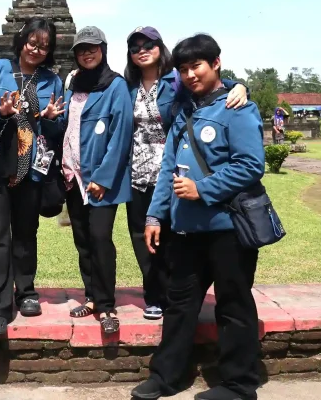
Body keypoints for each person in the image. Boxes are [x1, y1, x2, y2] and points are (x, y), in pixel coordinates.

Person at [131, 33, 266, 400]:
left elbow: (251, 165)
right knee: (179, 304)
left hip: (228, 229)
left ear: (216, 63)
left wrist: (202, 189)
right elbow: (168, 169)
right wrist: (155, 216)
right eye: (184, 69)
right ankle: (166, 376)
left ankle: (239, 384)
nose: (190, 75)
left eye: (197, 66)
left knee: (233, 304)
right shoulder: (184, 112)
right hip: (187, 229)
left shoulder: (237, 108)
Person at [123, 26, 249, 320]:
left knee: (171, 237)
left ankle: (173, 294)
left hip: (172, 172)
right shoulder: (126, 86)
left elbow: (210, 83)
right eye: (135, 47)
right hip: (136, 171)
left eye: (148, 45)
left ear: (160, 47)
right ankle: (153, 294)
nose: (142, 51)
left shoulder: (176, 79)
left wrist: (240, 86)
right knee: (142, 236)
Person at [0, 17, 65, 338]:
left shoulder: (52, 81)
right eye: (32, 42)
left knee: (27, 233)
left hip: (32, 168)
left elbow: (57, 129)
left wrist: (52, 119)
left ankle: (26, 291)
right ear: (22, 40)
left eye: (44, 46)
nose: (37, 50)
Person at [63, 26, 133, 334]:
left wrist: (104, 178)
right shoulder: (73, 84)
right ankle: (91, 296)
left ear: (103, 50)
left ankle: (106, 305)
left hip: (100, 181)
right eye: (81, 49)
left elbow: (121, 134)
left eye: (92, 47)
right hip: (73, 176)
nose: (87, 53)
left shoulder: (115, 85)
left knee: (100, 238)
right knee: (83, 240)